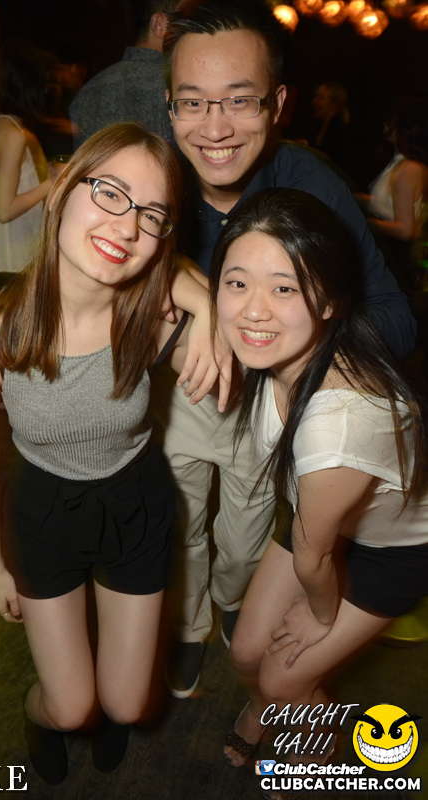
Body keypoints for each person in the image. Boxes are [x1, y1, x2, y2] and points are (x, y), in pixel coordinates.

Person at [0, 122, 228, 784]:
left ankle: (109, 713)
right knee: (71, 707)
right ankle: (41, 717)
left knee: (128, 704)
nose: (126, 227)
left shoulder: (150, 311)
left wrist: (211, 310)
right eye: (109, 192)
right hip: (44, 511)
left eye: (151, 214)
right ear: (60, 191)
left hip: (135, 501)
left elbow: (183, 277)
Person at [160, 0, 417, 698]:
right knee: (177, 522)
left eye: (239, 100)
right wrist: (191, 292)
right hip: (178, 387)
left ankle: (233, 606)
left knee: (245, 537)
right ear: (170, 105)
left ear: (276, 104)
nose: (215, 128)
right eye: (193, 102)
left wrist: (275, 344)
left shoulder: (312, 187)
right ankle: (188, 629)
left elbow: (397, 322)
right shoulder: (155, 177)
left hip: (281, 406)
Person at [210, 188, 428, 794]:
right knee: (246, 652)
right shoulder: (275, 351)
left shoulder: (341, 420)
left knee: (283, 679)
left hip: (396, 551)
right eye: (236, 283)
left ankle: (322, 758)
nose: (253, 311)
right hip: (324, 520)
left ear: (330, 299)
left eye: (284, 288)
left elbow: (313, 555)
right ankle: (268, 709)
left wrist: (321, 613)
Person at [0, 39, 53, 275]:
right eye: (44, 82)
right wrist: (52, 183)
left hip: (5, 257)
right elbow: (5, 210)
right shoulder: (14, 134)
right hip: (15, 261)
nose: (47, 89)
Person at [70, 0, 178, 147]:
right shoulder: (178, 85)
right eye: (186, 22)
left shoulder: (89, 89)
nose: (194, 30)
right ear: (159, 24)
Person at [362, 95, 428, 288]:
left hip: (395, 259)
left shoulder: (409, 168)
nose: (386, 125)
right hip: (390, 255)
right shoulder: (399, 162)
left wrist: (361, 222)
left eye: (393, 120)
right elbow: (388, 204)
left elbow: (405, 230)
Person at [311, 82, 351, 172]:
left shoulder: (341, 131)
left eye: (321, 98)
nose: (315, 101)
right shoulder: (319, 126)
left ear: (335, 104)